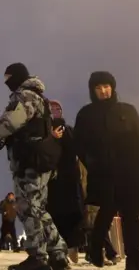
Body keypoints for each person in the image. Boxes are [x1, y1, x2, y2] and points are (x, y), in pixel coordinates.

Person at [0, 63, 69, 270]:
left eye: (8, 78)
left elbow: (10, 122)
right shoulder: (40, 97)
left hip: (29, 161)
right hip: (41, 159)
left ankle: (38, 257)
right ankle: (58, 252)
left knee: (27, 208)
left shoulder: (24, 96)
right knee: (39, 209)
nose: (6, 82)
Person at [73, 71, 139, 270]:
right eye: (98, 88)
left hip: (129, 174)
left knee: (131, 217)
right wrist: (92, 163)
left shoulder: (128, 110)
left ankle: (134, 263)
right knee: (106, 212)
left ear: (113, 87)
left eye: (106, 86)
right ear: (93, 91)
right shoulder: (86, 114)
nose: (103, 91)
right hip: (103, 174)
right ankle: (96, 248)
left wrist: (136, 163)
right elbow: (79, 144)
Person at [46, 100, 84, 264]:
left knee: (72, 215)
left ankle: (72, 250)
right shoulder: (43, 131)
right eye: (52, 108)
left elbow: (77, 150)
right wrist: (51, 138)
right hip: (51, 180)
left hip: (69, 180)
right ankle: (57, 252)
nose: (55, 110)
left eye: (58, 108)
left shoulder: (69, 130)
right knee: (54, 215)